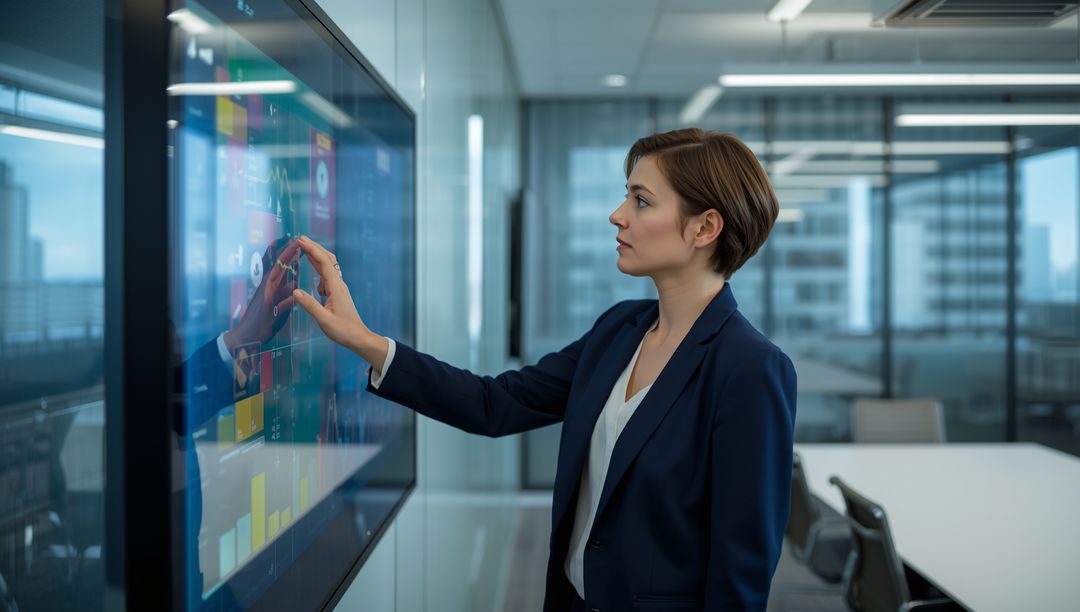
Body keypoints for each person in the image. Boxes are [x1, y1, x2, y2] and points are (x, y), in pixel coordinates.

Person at [292, 128, 797, 611]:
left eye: (641, 201)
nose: (617, 215)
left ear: (705, 228)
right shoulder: (618, 331)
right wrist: (363, 340)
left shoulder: (750, 370)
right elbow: (495, 404)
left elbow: (741, 572)